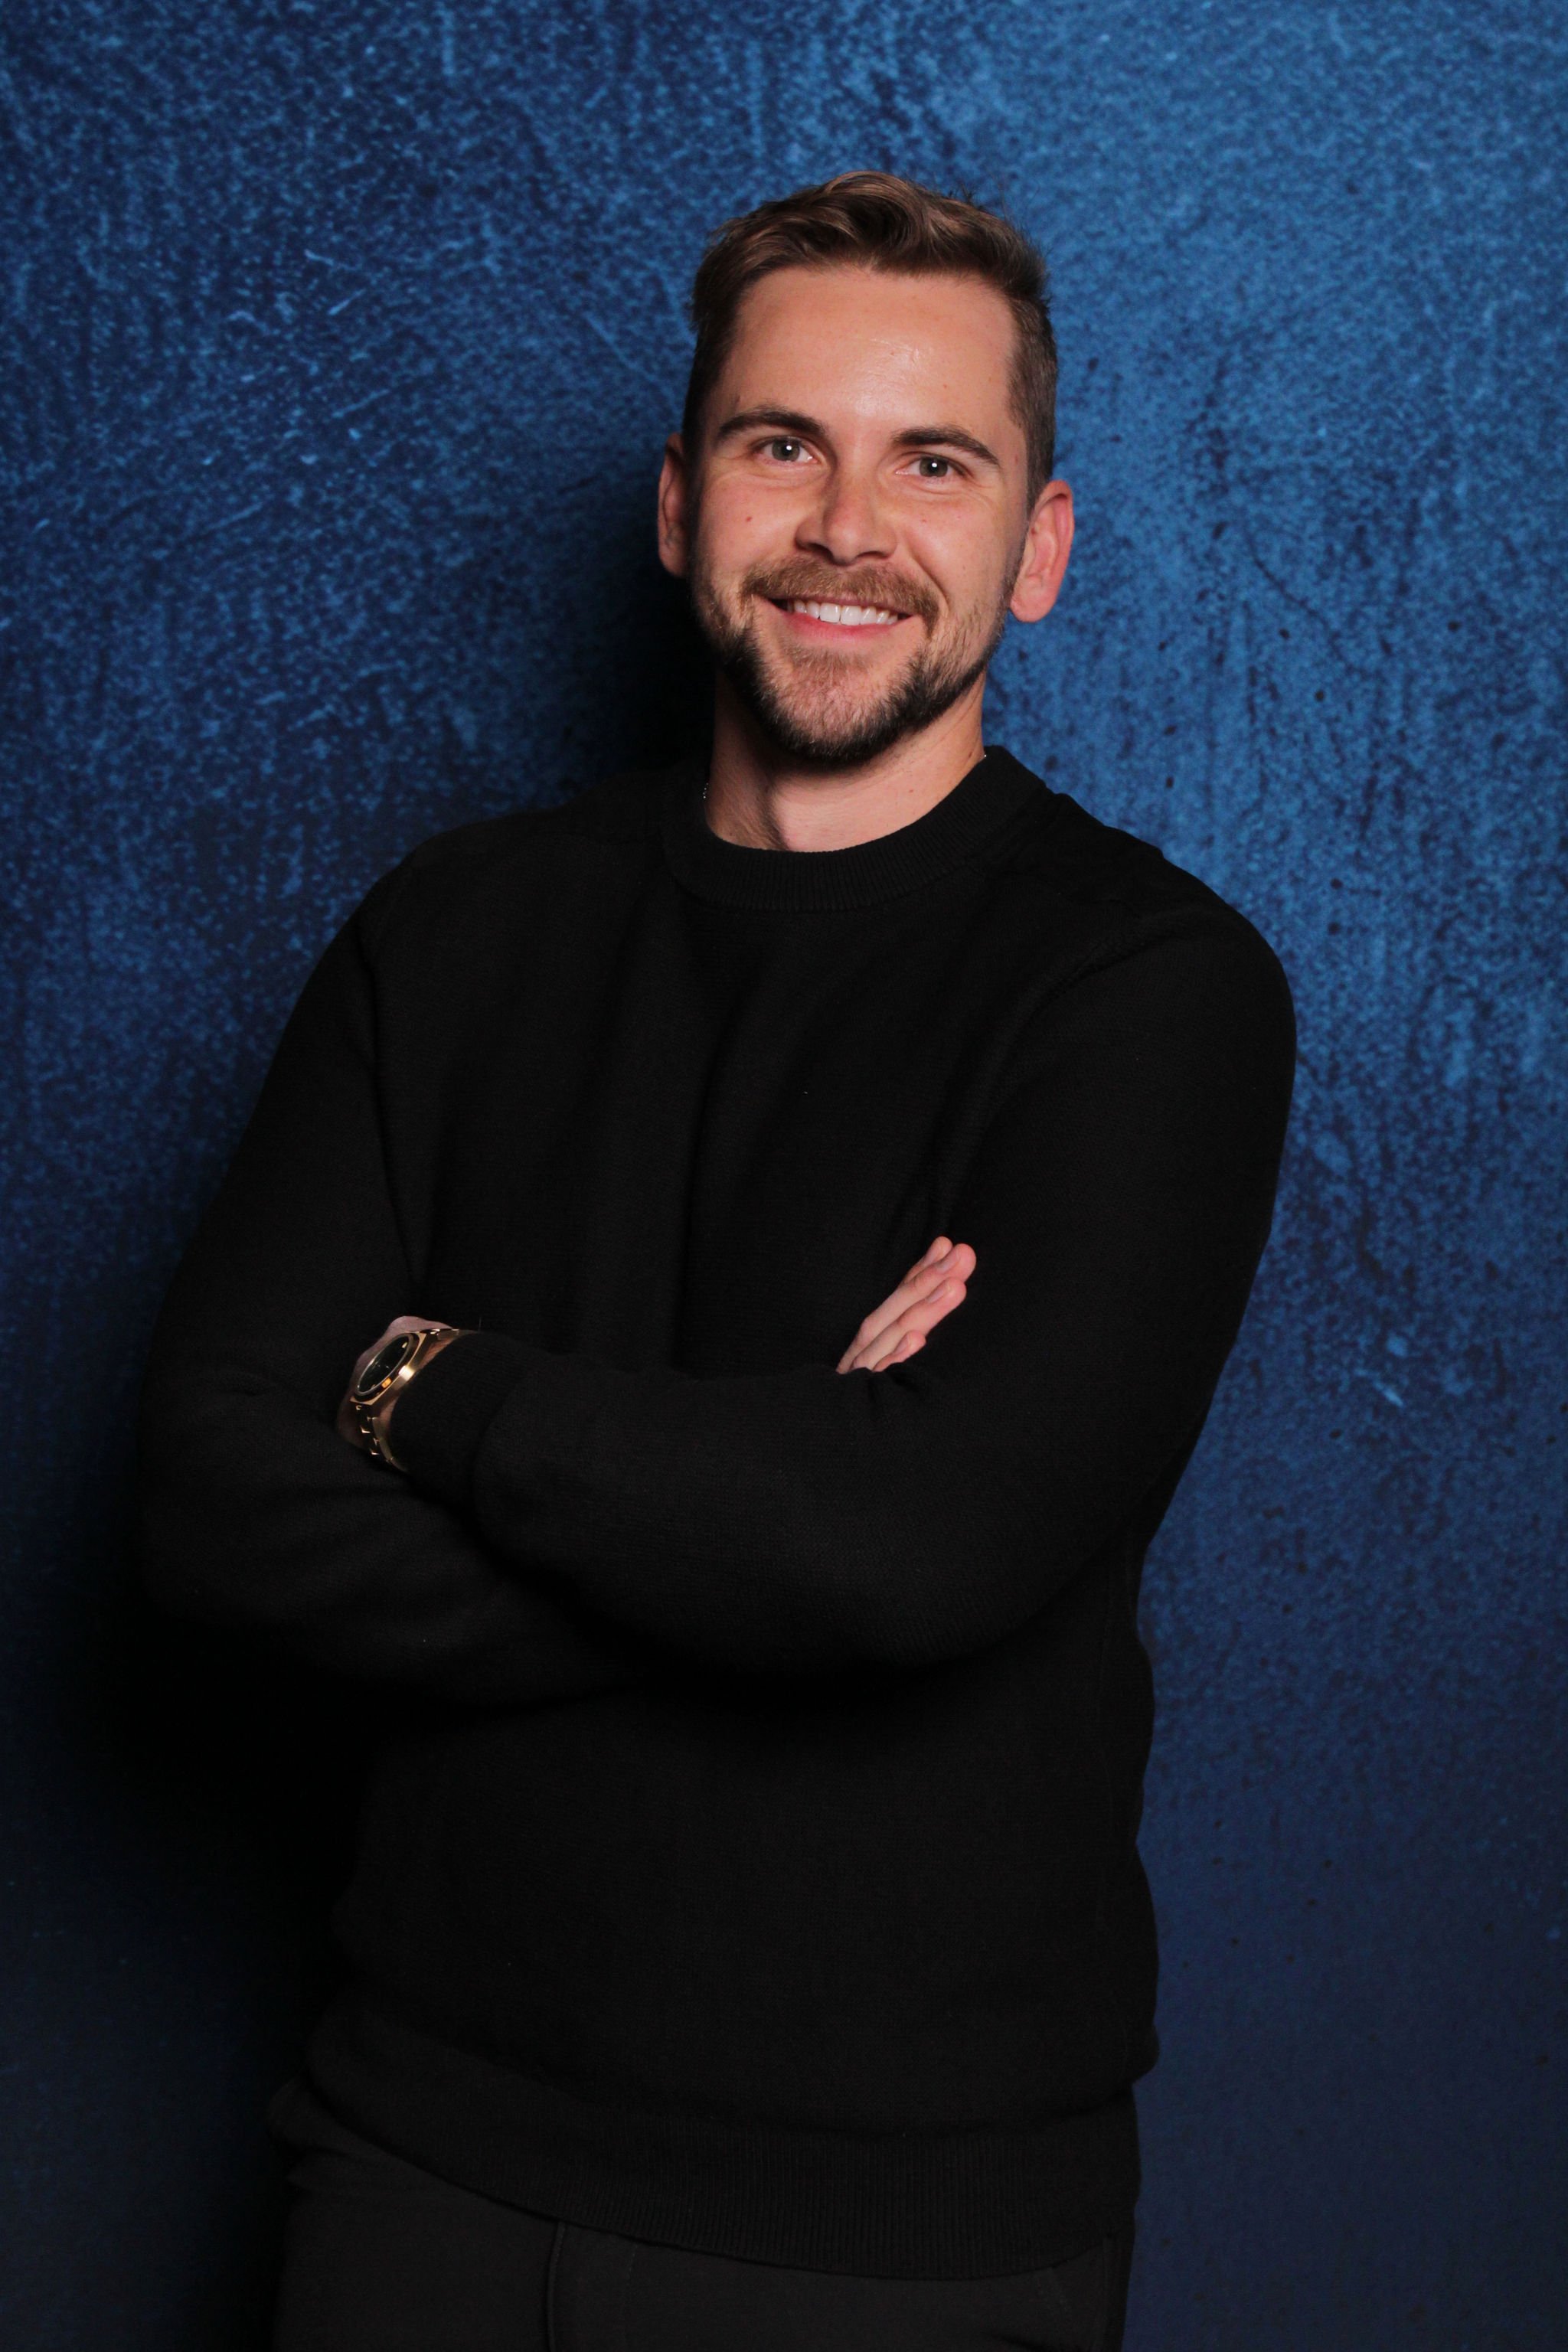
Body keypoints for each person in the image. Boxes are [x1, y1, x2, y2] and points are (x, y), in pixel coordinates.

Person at [137, 170, 1296, 2350]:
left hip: (903, 2232)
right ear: (682, 507)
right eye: (787, 444)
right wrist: (773, 1509)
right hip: (410, 2166)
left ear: (1037, 549)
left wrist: (431, 1386)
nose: (850, 524)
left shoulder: (1151, 992)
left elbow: (907, 1551)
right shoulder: (452, 935)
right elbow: (206, 1500)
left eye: (934, 461)